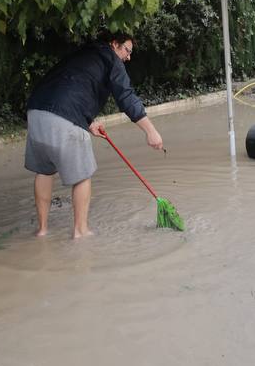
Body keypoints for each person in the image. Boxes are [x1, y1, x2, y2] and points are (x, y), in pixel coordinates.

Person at [24, 32, 163, 238]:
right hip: (65, 116)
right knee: (82, 176)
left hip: (36, 112)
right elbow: (126, 96)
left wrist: (87, 122)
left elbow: (70, 86)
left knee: (44, 172)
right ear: (114, 44)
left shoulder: (81, 54)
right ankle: (81, 232)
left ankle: (42, 230)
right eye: (127, 50)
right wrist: (151, 131)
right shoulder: (111, 59)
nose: (128, 57)